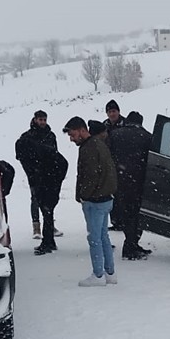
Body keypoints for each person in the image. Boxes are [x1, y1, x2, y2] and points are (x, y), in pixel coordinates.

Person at [63, 116, 119, 286]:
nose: (72, 139)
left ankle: (98, 275)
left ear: (81, 130)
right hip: (106, 198)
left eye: (73, 135)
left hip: (95, 201)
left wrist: (83, 195)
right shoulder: (100, 144)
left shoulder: (88, 148)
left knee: (94, 238)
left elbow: (89, 176)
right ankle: (110, 273)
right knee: (103, 237)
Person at [15, 110, 68, 255]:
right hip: (36, 177)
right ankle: (38, 228)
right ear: (35, 119)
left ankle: (48, 238)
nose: (42, 122)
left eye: (44, 119)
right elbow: (23, 157)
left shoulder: (50, 135)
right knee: (37, 201)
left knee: (48, 207)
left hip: (50, 176)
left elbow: (55, 155)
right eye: (40, 120)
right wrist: (33, 171)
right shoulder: (26, 138)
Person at [108, 110, 153, 260]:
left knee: (127, 214)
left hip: (119, 181)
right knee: (136, 214)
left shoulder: (114, 134)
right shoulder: (147, 137)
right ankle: (130, 247)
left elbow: (108, 155)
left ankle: (131, 244)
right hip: (138, 182)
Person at [105, 100, 126, 231]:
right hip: (108, 165)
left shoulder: (125, 124)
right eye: (110, 111)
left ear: (118, 111)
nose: (112, 114)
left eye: (114, 111)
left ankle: (124, 220)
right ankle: (115, 221)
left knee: (123, 194)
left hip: (123, 164)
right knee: (111, 194)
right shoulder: (104, 126)